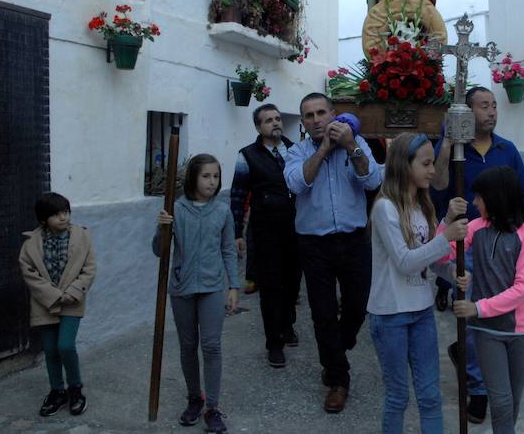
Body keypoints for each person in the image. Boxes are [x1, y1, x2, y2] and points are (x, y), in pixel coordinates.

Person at [432, 86, 524, 423]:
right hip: (468, 242)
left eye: (494, 105)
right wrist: (447, 142)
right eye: (484, 106)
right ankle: (479, 388)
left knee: (492, 310)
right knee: (473, 314)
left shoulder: (506, 149)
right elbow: (439, 184)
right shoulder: (455, 149)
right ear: (468, 113)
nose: (492, 111)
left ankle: (479, 373)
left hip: (507, 245)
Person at [284, 93, 384, 413]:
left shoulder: (355, 142)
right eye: (309, 115)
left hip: (354, 240)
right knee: (323, 313)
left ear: (332, 115)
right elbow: (298, 183)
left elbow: (372, 180)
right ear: (302, 122)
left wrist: (351, 146)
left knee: (358, 306)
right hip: (314, 244)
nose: (316, 120)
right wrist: (325, 149)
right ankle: (339, 379)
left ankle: (339, 346)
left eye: (321, 113)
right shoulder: (297, 152)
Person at [368, 133, 469, 434]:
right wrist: (447, 236)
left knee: (430, 395)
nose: (433, 170)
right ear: (403, 165)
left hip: (422, 310)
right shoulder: (385, 208)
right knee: (398, 397)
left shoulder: (423, 206)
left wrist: (452, 273)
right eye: (425, 164)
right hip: (390, 315)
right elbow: (405, 261)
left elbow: (429, 258)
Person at [444, 166, 524, 434]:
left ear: (497, 196)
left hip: (519, 329)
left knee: (513, 403)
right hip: (486, 331)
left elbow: (522, 288)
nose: (474, 203)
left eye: (480, 197)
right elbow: (442, 250)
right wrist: (455, 266)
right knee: (500, 401)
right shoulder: (474, 228)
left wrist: (478, 307)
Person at [154, 154, 240, 434]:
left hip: (213, 287)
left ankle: (212, 408)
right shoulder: (175, 209)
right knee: (188, 346)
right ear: (193, 177)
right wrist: (162, 228)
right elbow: (159, 250)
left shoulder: (222, 211)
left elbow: (228, 249)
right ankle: (194, 398)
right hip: (181, 287)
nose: (212, 182)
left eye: (216, 176)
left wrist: (234, 287)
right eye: (206, 176)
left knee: (212, 346)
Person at [230, 104, 301, 368]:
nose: (275, 123)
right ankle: (274, 343)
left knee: (292, 284)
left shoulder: (296, 150)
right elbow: (237, 197)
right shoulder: (246, 155)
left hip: (295, 229)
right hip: (265, 232)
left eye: (278, 119)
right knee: (270, 288)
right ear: (259, 127)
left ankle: (287, 325)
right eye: (268, 120)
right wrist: (237, 232)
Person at [19, 192, 96, 418]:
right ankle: (57, 391)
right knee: (51, 350)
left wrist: (72, 292)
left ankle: (75, 389)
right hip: (45, 303)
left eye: (66, 212)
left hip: (72, 302)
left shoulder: (82, 237)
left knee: (65, 345)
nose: (63, 217)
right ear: (43, 220)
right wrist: (53, 295)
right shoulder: (31, 244)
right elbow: (29, 273)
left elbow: (89, 269)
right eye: (56, 214)